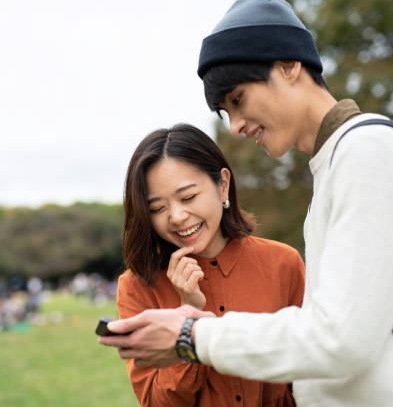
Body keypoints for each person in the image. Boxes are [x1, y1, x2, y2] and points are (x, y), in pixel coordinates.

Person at [99, 0, 393, 405]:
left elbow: (340, 339)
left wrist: (192, 335)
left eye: (237, 100)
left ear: (289, 66)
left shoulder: (368, 151)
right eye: (224, 111)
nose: (233, 127)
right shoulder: (336, 165)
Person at [115, 123, 305, 406]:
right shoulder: (136, 286)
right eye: (157, 208)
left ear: (223, 185)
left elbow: (311, 371)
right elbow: (156, 401)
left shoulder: (283, 264)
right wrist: (188, 316)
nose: (177, 216)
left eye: (188, 197)